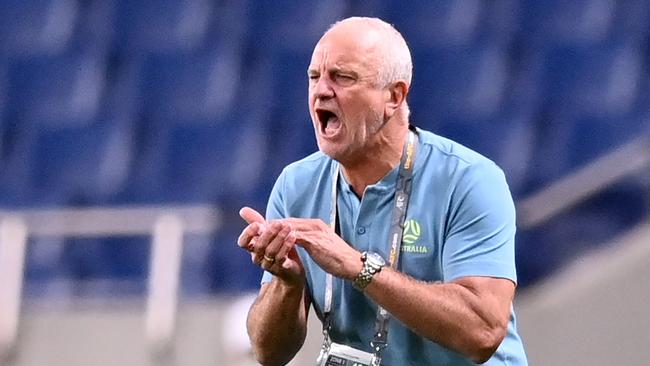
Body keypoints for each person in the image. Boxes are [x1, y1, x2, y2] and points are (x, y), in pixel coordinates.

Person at [237, 17, 528, 366]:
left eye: (343, 77)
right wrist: (287, 283)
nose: (321, 91)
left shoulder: (470, 180)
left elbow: (483, 332)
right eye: (314, 77)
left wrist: (358, 267)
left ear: (394, 96)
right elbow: (270, 353)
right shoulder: (296, 185)